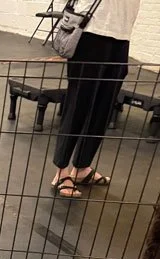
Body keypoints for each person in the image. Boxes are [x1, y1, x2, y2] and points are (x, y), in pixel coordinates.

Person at [51, 0, 141, 198]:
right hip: (91, 29)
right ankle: (61, 170)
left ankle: (82, 167)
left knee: (104, 106)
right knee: (79, 102)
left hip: (122, 33)